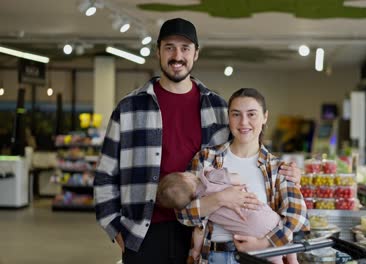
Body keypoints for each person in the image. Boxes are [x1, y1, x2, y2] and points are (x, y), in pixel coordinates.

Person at [94, 18, 302, 264]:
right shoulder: (129, 108)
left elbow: (244, 152)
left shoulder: (217, 107)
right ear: (158, 51)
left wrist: (285, 173)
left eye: (185, 48)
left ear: (196, 54)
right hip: (143, 233)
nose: (177, 55)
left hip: (201, 231)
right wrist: (117, 231)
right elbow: (105, 175)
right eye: (169, 47)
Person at [177, 88, 310, 264]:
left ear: (265, 117)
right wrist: (221, 198)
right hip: (214, 257)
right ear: (228, 117)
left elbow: (298, 218)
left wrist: (264, 243)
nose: (243, 122)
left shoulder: (278, 168)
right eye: (236, 114)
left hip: (260, 258)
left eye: (252, 114)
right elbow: (183, 213)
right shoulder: (206, 158)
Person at [158, 168, 299, 263]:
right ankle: (293, 260)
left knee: (275, 259)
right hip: (263, 218)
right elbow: (238, 179)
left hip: (248, 234)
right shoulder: (209, 176)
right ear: (186, 177)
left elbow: (199, 230)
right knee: (283, 232)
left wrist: (195, 250)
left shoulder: (202, 205)